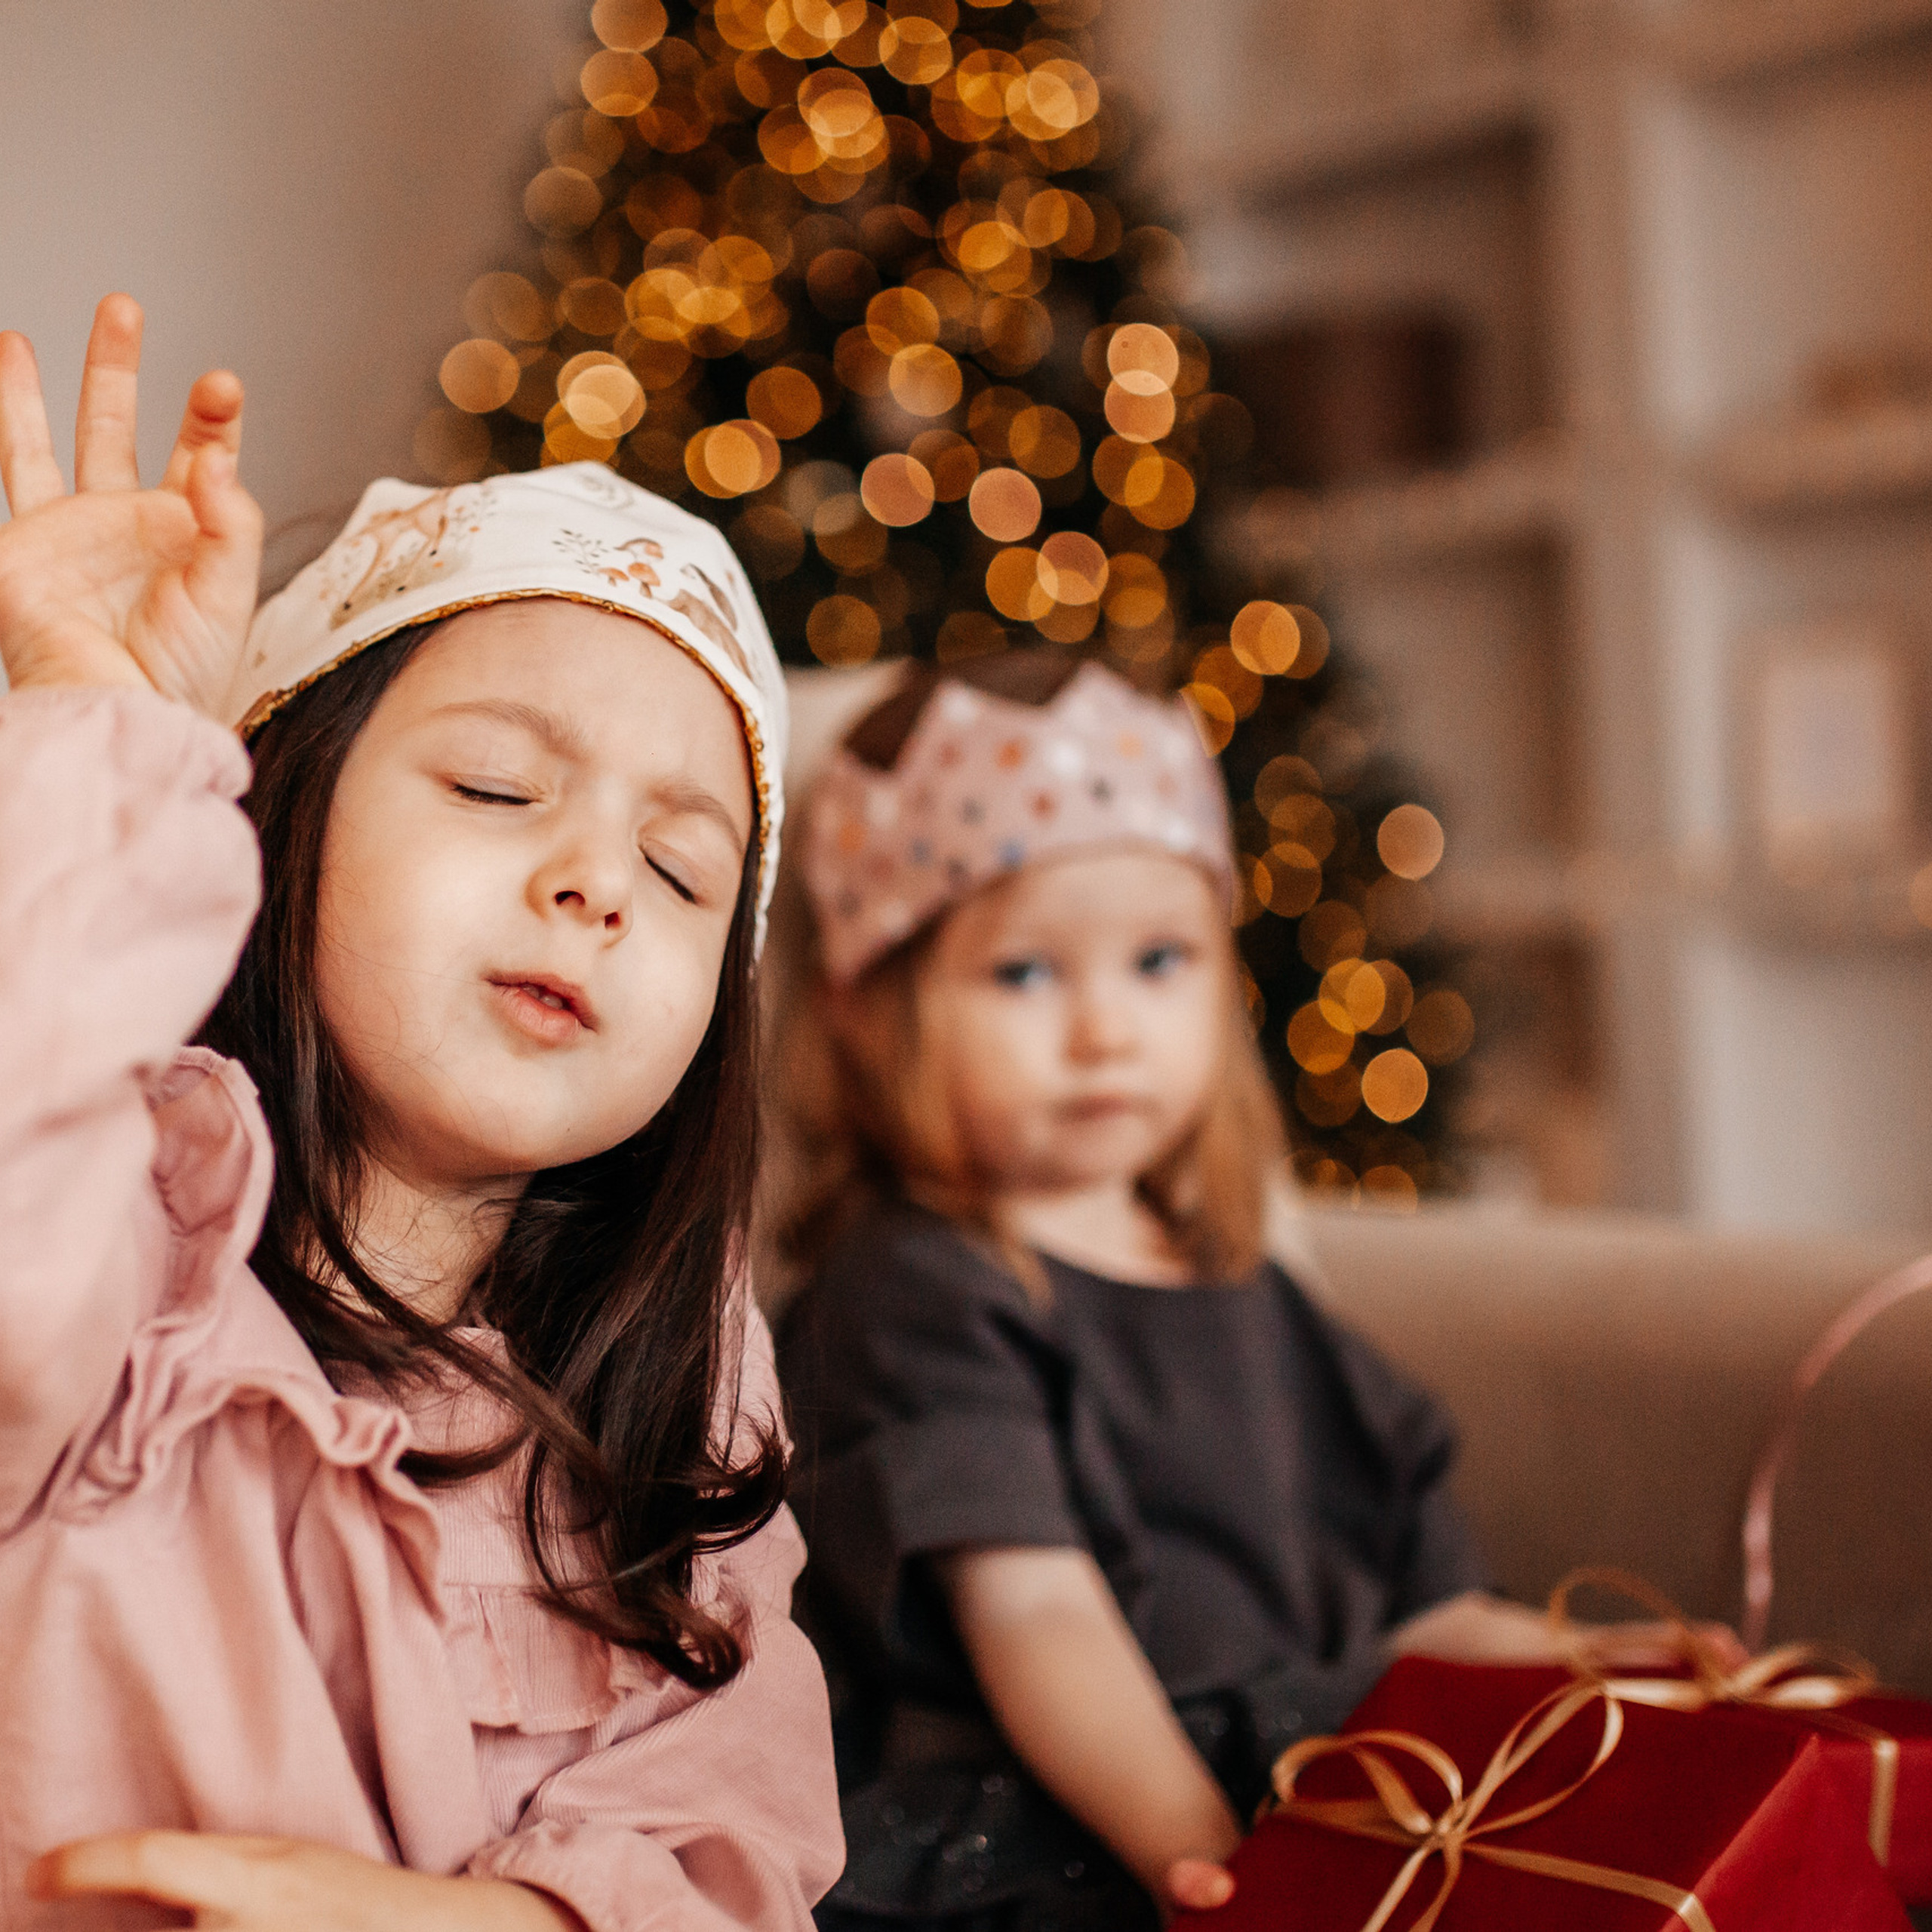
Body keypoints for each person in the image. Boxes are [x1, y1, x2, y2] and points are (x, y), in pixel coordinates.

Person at [0, 296, 841, 1931]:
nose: (595, 881)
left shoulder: (686, 1379)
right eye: (494, 788)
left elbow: (734, 1836)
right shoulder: (119, 1219)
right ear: (281, 811)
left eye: (681, 871)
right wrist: (118, 743)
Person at [771, 650, 1679, 1931]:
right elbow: (1038, 1621)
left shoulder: (1247, 1286)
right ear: (866, 1012)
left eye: (1159, 961)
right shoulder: (917, 1289)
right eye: (1025, 973)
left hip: (1328, 1787)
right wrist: (1201, 1855)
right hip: (1074, 1832)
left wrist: (1603, 1667)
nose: (1107, 1030)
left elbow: (1430, 1613)